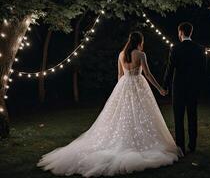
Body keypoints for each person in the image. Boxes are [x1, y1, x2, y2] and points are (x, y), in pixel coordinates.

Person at [37, 31, 182, 177]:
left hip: (124, 85)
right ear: (140, 41)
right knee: (142, 114)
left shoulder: (121, 54)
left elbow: (120, 75)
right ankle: (138, 143)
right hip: (138, 85)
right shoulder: (141, 54)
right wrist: (160, 89)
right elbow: (148, 74)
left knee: (123, 115)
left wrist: (121, 91)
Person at [163, 22, 206, 155]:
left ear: (181, 32)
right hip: (193, 87)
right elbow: (202, 71)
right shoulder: (199, 48)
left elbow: (170, 69)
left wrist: (165, 85)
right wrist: (199, 87)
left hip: (179, 88)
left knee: (178, 117)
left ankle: (180, 146)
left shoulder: (175, 48)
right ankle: (192, 145)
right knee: (192, 116)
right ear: (190, 32)